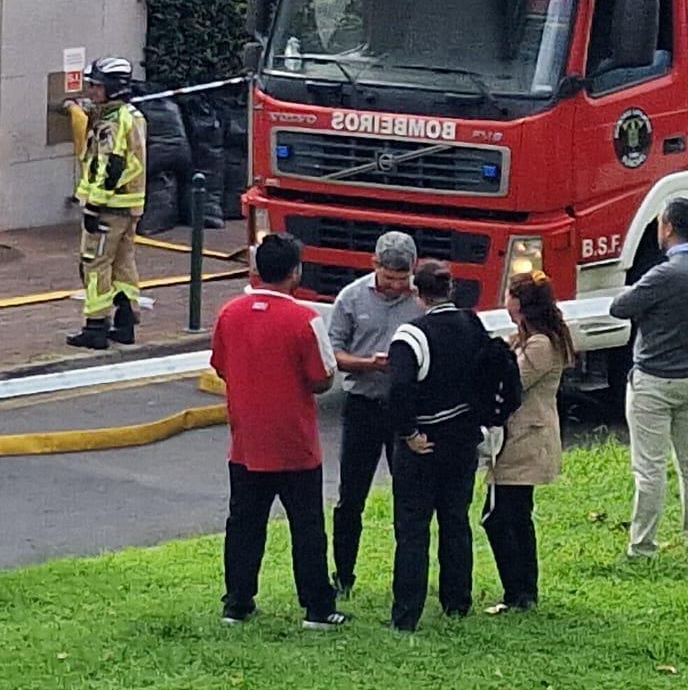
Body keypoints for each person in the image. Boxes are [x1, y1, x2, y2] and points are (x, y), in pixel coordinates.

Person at [209, 233, 347, 629]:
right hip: (295, 443)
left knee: (243, 525)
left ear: (255, 270)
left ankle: (237, 602)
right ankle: (318, 607)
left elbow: (219, 365)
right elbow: (322, 378)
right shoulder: (305, 319)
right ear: (296, 273)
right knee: (307, 528)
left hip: (246, 442)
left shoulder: (229, 314)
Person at [387, 260, 519, 628]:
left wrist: (409, 435)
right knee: (456, 523)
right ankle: (457, 604)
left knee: (413, 529)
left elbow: (398, 390)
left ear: (417, 293)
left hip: (423, 444)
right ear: (450, 289)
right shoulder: (472, 324)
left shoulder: (410, 336)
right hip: (462, 441)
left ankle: (406, 614)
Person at [612, 199, 688, 559]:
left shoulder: (665, 274)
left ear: (668, 227)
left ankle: (642, 544)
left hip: (655, 381)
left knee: (650, 468)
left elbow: (620, 307)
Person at [325, 231, 422, 597]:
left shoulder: (420, 300)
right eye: (389, 278)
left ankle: (407, 578)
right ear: (374, 265)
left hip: (406, 409)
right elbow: (333, 353)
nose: (397, 286)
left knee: (409, 496)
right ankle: (344, 574)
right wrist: (369, 363)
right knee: (351, 496)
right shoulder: (350, 298)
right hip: (363, 404)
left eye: (403, 279)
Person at [483, 271, 575, 613]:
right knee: (516, 516)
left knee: (501, 516)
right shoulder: (529, 338)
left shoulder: (539, 344)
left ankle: (518, 591)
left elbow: (511, 383)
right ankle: (523, 592)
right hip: (523, 439)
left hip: (525, 439)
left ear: (519, 303)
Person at [67, 57, 148, 351]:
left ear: (113, 88)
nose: (91, 91)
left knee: (94, 263)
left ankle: (95, 326)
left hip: (109, 208)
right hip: (129, 206)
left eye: (96, 86)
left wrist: (93, 205)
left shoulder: (113, 121)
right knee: (123, 263)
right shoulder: (132, 116)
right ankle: (125, 323)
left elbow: (109, 166)